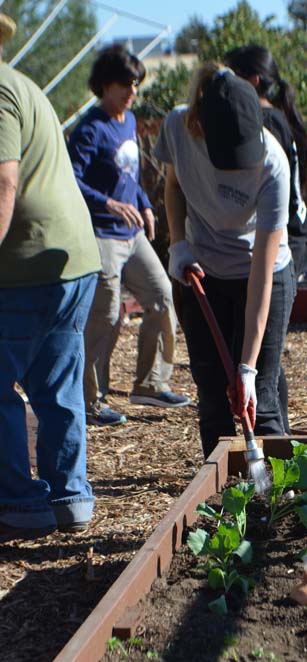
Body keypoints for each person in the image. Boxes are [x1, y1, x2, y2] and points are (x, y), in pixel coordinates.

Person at [154, 63, 295, 458]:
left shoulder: (273, 165)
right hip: (203, 271)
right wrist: (178, 244)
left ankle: (277, 498)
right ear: (200, 121)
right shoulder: (179, 127)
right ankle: (219, 497)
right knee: (212, 393)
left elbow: (262, 275)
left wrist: (247, 367)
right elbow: (173, 185)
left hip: (262, 273)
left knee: (261, 398)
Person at [0, 13, 101, 541]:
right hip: (72, 260)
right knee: (57, 383)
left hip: (24, 268)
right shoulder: (23, 85)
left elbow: (3, 182)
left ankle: (18, 504)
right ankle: (69, 499)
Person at [68, 44, 189, 427]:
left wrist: (145, 205)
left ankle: (150, 384)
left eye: (136, 84)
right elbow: (71, 180)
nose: (132, 91)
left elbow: (129, 176)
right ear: (105, 85)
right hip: (101, 234)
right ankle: (90, 401)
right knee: (105, 316)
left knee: (162, 296)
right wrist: (108, 204)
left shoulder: (129, 120)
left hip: (132, 233)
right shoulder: (90, 128)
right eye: (125, 84)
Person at [224, 44, 307, 433]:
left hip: (282, 245)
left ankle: (274, 458)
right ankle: (281, 439)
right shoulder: (279, 118)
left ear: (253, 80)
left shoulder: (262, 124)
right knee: (268, 358)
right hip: (293, 237)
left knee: (264, 364)